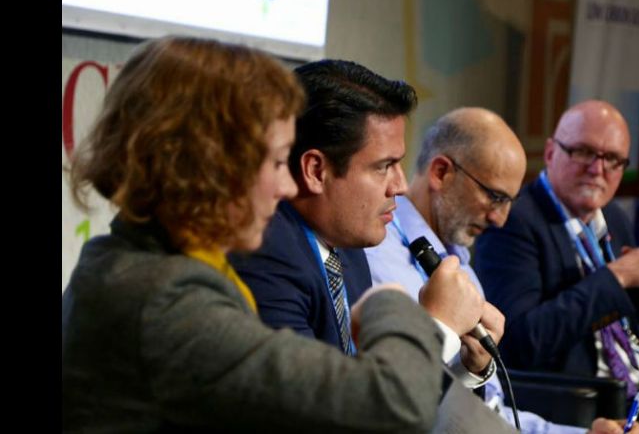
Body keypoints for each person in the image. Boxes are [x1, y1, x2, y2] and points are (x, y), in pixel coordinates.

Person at [61, 37, 458, 432]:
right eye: (275, 161)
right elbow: (390, 406)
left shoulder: (130, 262)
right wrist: (390, 305)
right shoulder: (167, 301)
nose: (287, 187)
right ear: (211, 166)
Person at [229, 60, 503, 394]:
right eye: (384, 166)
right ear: (316, 170)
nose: (399, 186)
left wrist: (466, 367)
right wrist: (436, 328)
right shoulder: (266, 253)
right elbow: (317, 408)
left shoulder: (349, 248)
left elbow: (367, 389)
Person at [365, 107, 639, 434]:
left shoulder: (459, 262)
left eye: (510, 201)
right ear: (441, 172)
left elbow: (492, 412)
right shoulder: (378, 256)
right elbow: (397, 400)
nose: (501, 219)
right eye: (494, 197)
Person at [474, 100, 639, 434]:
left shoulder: (612, 218)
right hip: (589, 404)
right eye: (584, 152)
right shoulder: (515, 222)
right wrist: (618, 276)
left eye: (612, 159)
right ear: (552, 152)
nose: (598, 170)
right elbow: (520, 343)